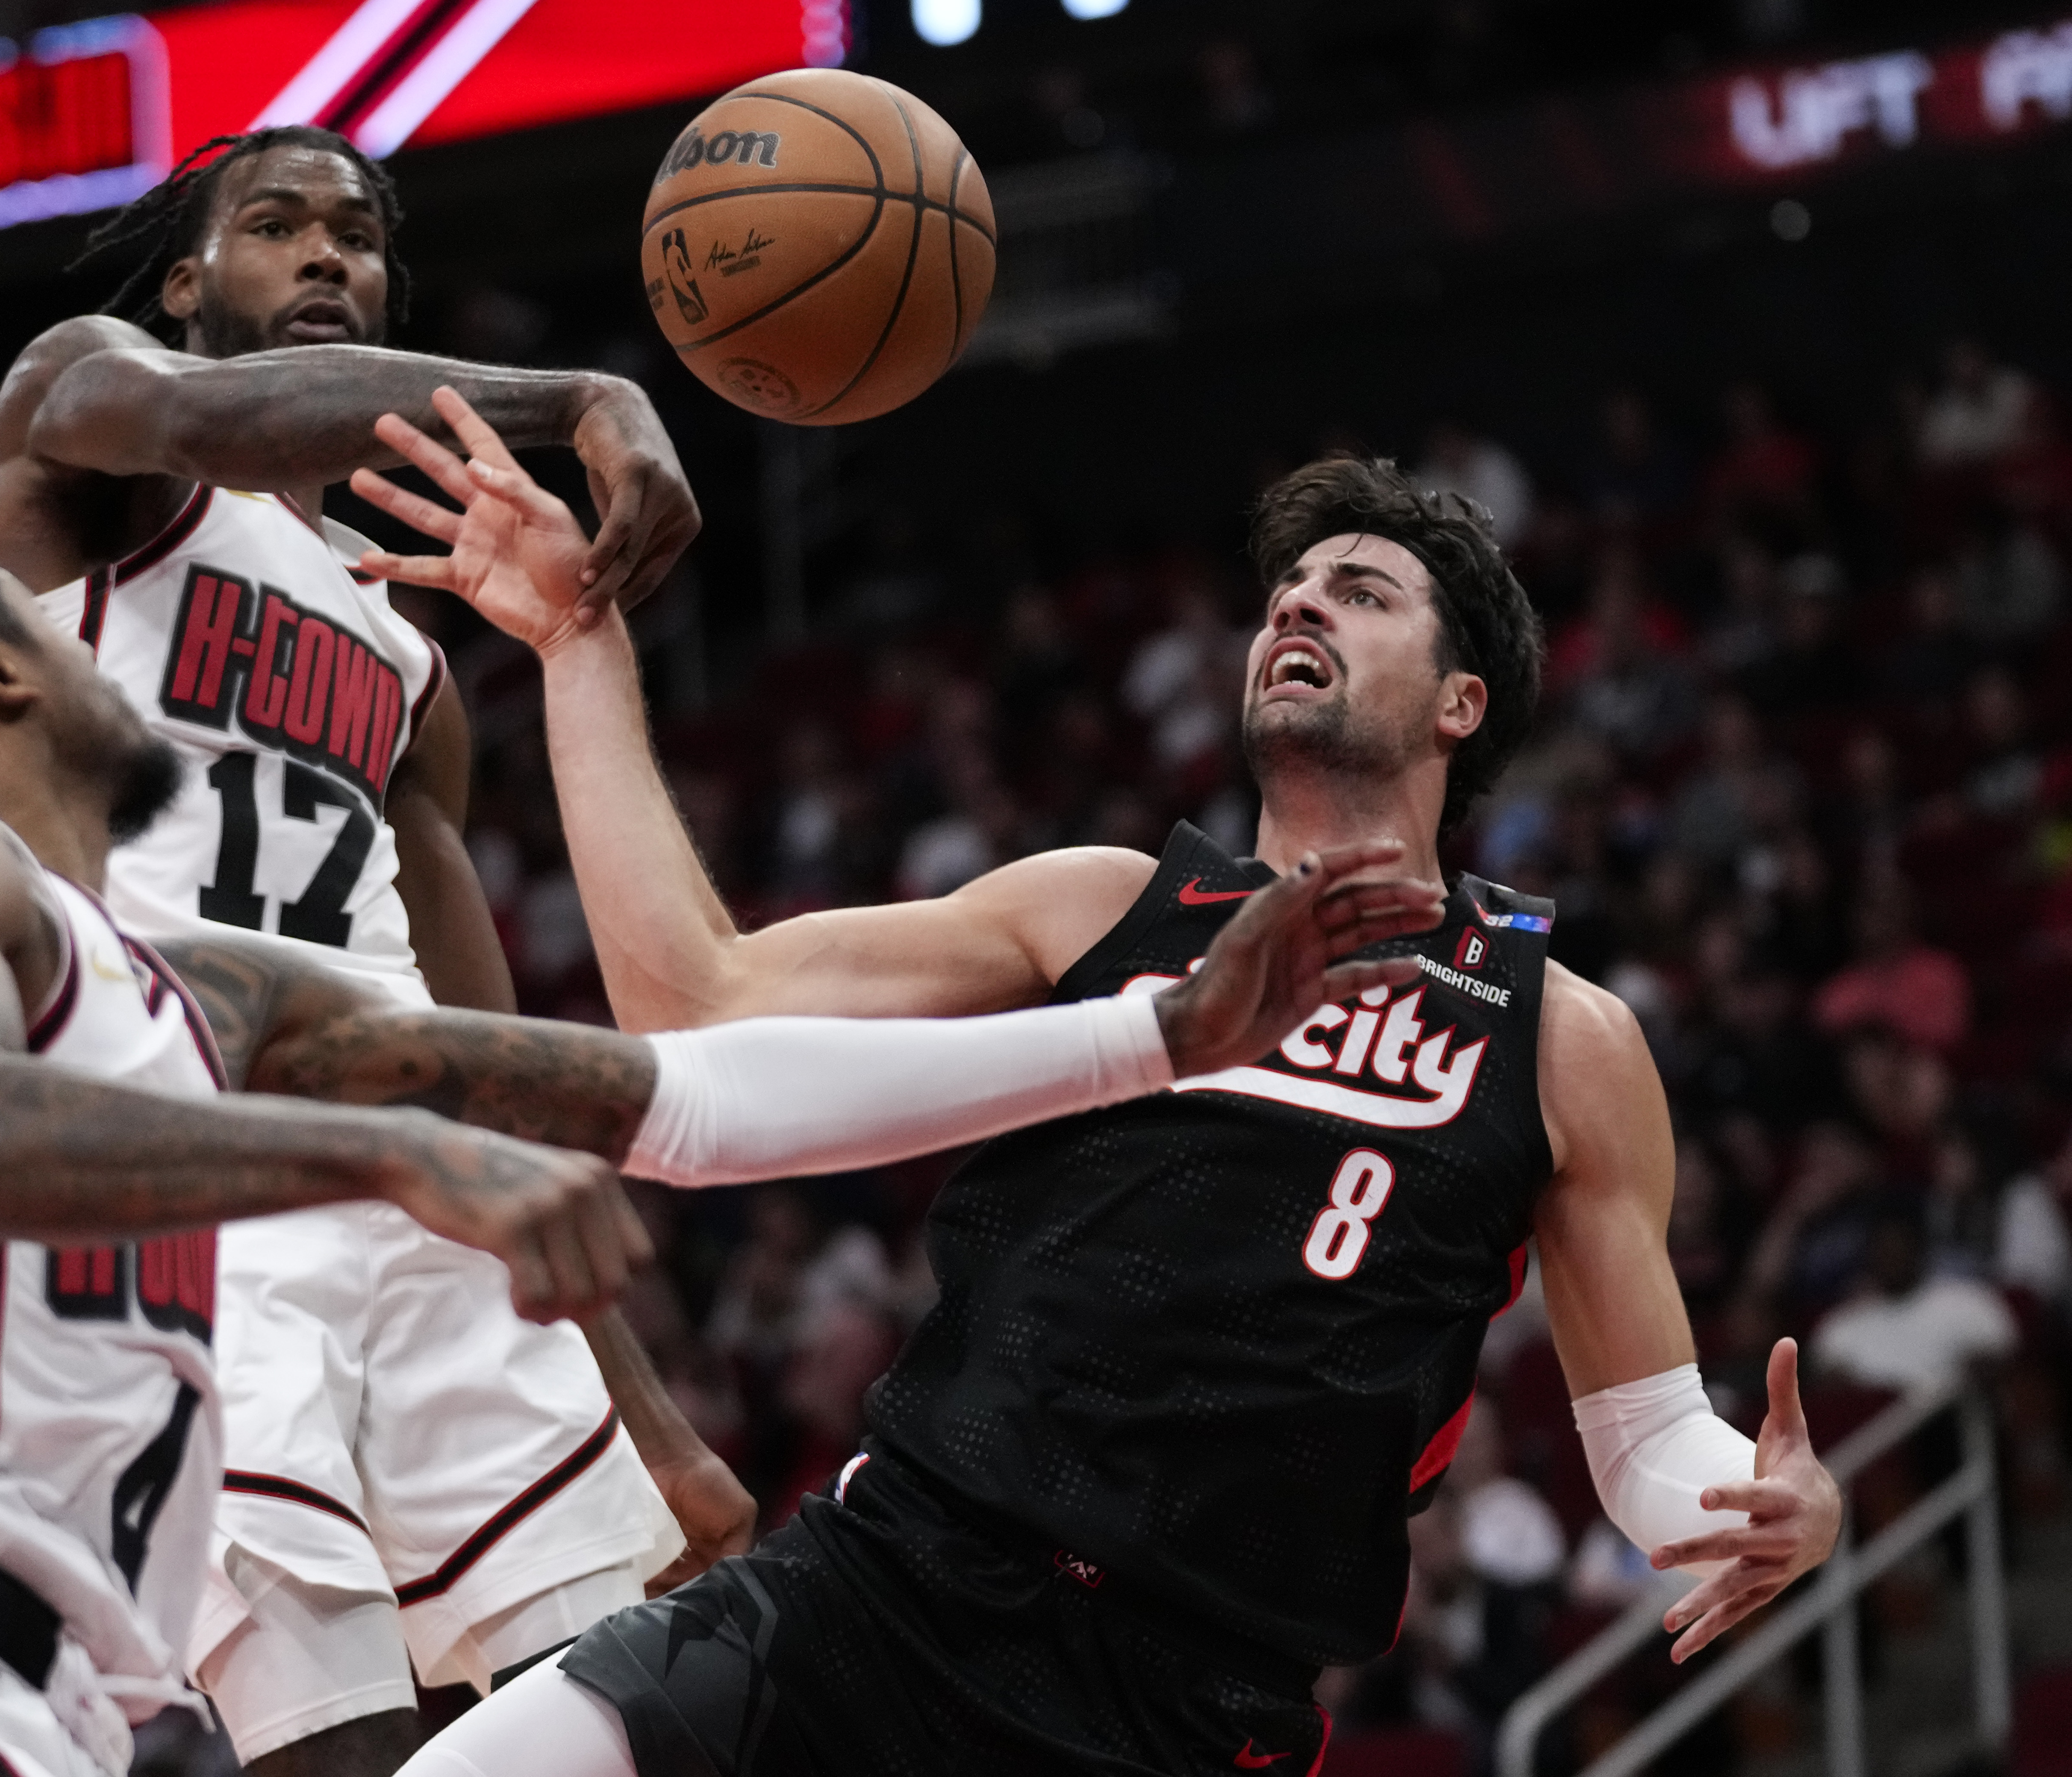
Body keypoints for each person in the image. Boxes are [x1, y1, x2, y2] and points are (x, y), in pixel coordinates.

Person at [0, 522, 1445, 1777]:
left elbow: (678, 1097)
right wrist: (400, 1161)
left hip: (45, 1714)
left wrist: (1158, 1036)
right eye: (39, 615)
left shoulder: (198, 991)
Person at [344, 408, 1847, 1777]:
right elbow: (694, 1000)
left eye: (1360, 591)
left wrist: (1776, 1504)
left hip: (1179, 1713)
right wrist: (579, 636)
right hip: (885, 1586)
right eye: (1286, 590)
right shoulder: (1107, 905)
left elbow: (1651, 1448)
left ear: (1463, 703)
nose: (1297, 605)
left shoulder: (1559, 1033)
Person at [0, 125, 723, 1776]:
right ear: (188, 280)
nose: (326, 257)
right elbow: (205, 417)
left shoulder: (406, 655)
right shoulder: (89, 410)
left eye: (358, 235)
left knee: (606, 1715)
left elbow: (482, 1043)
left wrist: (643, 1408)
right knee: (336, 1740)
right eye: (276, 226)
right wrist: (587, 398)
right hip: (186, 1159)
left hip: (425, 1197)